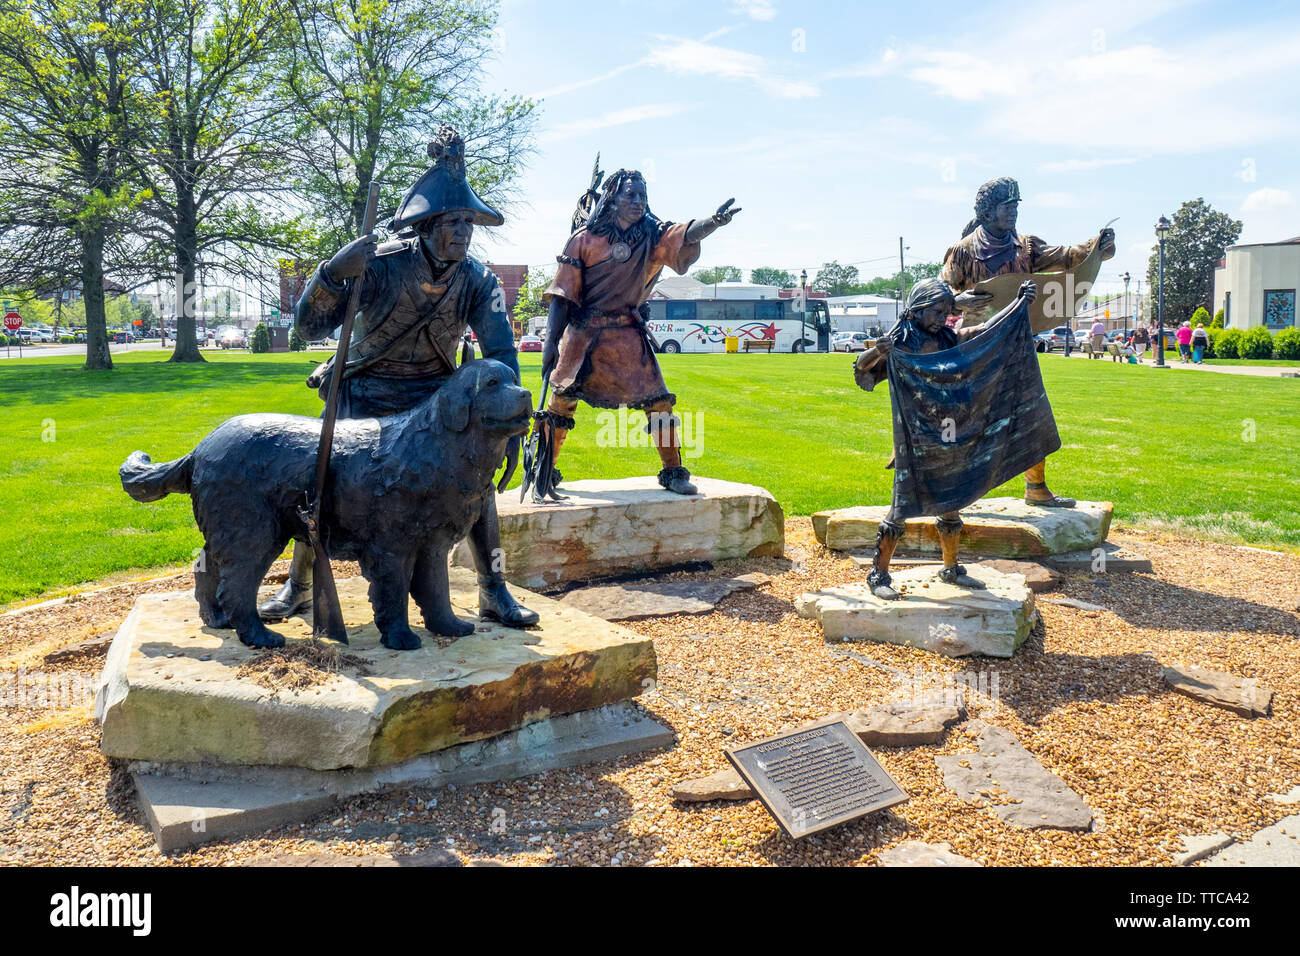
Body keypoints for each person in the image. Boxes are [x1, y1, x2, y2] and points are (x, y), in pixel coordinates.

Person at [257, 126, 538, 629]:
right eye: (453, 221)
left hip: (434, 400)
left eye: (468, 221)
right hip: (364, 389)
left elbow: (499, 349)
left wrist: (510, 420)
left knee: (478, 489)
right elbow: (308, 326)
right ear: (427, 225)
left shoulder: (477, 279)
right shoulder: (381, 266)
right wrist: (331, 273)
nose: (463, 231)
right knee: (319, 482)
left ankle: (493, 588)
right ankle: (299, 585)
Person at [531, 168, 740, 500]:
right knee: (560, 403)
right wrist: (550, 345)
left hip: (627, 336)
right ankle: (544, 468)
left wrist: (712, 222)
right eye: (630, 194)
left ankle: (673, 471)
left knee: (658, 403)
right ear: (613, 198)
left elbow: (682, 235)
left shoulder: (650, 236)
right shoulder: (583, 240)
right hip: (582, 336)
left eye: (642, 195)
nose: (637, 201)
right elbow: (562, 296)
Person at [852, 277, 1049, 599]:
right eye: (937, 311)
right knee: (901, 508)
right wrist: (877, 350)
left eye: (947, 310)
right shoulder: (901, 342)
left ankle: (951, 567)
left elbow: (981, 330)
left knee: (952, 503)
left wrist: (1018, 305)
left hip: (953, 430)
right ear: (916, 311)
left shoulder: (946, 337)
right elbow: (863, 372)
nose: (944, 317)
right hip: (915, 438)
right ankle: (879, 574)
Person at [940, 177, 1115, 508]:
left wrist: (1096, 245)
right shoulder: (962, 251)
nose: (1014, 212)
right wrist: (959, 301)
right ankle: (953, 491)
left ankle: (1036, 487)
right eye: (1008, 206)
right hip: (976, 345)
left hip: (1018, 344)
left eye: (1016, 206)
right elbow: (939, 293)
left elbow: (1067, 256)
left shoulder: (1027, 247)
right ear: (988, 211)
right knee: (968, 417)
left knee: (1033, 412)